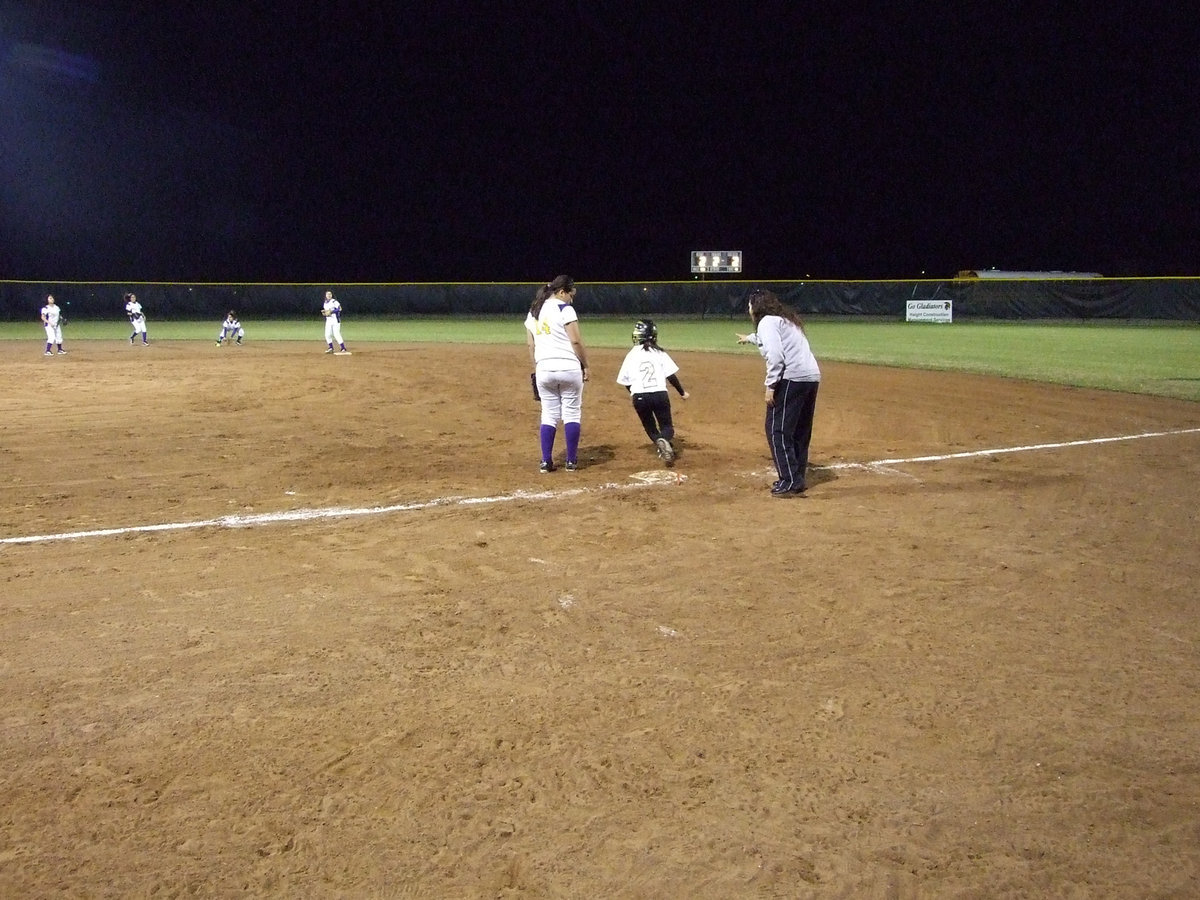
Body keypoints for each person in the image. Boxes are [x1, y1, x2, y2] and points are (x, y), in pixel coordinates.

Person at [745, 288, 820, 497]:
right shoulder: (785, 320)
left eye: (750, 305)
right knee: (800, 430)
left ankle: (789, 481)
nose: (748, 309)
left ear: (756, 307)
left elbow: (776, 356)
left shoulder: (767, 322)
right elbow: (773, 339)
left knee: (776, 429)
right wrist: (750, 338)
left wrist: (771, 386)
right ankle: (797, 476)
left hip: (792, 378)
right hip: (811, 377)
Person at [525, 274, 589, 472]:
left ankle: (546, 461)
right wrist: (585, 365)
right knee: (572, 413)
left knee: (549, 415)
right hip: (569, 368)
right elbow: (575, 341)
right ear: (562, 292)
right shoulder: (565, 309)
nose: (571, 299)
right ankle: (571, 461)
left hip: (544, 369)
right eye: (571, 294)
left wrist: (537, 368)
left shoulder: (534, 311)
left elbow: (531, 345)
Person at [616, 319, 688, 465]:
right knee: (667, 427)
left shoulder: (631, 355)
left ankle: (659, 441)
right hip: (660, 394)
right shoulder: (659, 352)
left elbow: (626, 381)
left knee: (650, 427)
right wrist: (682, 392)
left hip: (639, 396)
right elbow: (671, 376)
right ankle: (665, 440)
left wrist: (635, 393)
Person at [322, 290, 350, 354]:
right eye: (327, 294)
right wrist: (325, 312)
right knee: (327, 334)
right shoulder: (325, 303)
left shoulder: (334, 301)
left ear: (331, 295)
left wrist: (332, 311)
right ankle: (331, 348)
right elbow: (327, 312)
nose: (329, 295)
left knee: (336, 334)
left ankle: (343, 348)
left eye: (330, 294)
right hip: (328, 320)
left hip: (335, 320)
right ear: (326, 295)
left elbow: (340, 309)